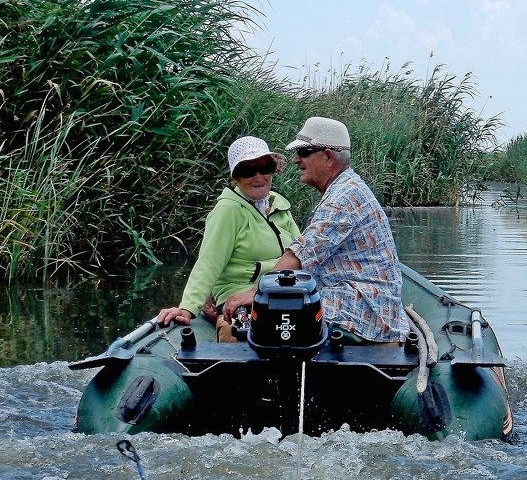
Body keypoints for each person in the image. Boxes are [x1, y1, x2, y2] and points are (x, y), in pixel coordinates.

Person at [222, 117, 409, 344]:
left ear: (329, 157)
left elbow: (300, 254)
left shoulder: (343, 198)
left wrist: (254, 294)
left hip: (367, 309)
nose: (295, 160)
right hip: (362, 300)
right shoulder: (345, 187)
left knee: (275, 312)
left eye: (304, 152)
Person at [156, 135, 301, 341]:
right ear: (235, 177)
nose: (258, 177)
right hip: (239, 298)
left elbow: (302, 251)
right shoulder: (228, 210)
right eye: (248, 170)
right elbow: (209, 263)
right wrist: (188, 307)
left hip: (283, 294)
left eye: (264, 167)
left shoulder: (280, 206)